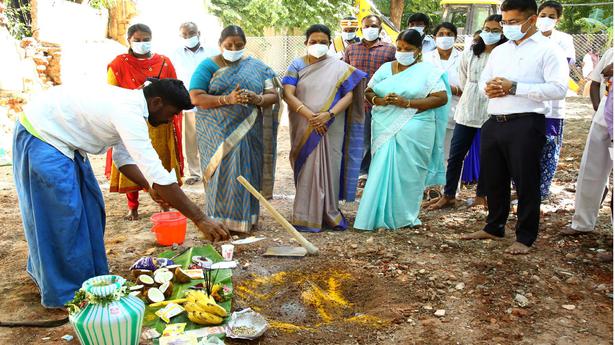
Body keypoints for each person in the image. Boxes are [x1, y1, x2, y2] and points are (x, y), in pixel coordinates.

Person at [13, 79, 230, 308]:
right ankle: (64, 291)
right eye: (172, 113)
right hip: (41, 135)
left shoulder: (134, 107)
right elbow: (158, 173)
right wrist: (200, 219)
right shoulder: (127, 111)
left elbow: (123, 158)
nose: (171, 120)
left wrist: (148, 186)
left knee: (90, 209)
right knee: (62, 217)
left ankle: (87, 278)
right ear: (157, 102)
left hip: (65, 140)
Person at [461, 0, 568, 255]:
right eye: (505, 22)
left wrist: (515, 87)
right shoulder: (500, 51)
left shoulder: (548, 50)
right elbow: (485, 81)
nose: (507, 27)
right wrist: (490, 88)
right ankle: (494, 226)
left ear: (531, 20)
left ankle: (525, 236)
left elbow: (559, 88)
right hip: (495, 121)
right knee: (494, 178)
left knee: (525, 181)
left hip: (526, 122)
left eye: (513, 22)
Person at [354, 29, 450, 230]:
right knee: (381, 168)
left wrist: (407, 102)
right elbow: (368, 92)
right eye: (399, 48)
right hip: (385, 126)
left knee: (410, 173)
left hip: (417, 126)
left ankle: (405, 217)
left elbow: (441, 98)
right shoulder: (386, 68)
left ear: (418, 51)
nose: (403, 52)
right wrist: (380, 100)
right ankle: (375, 216)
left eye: (408, 49)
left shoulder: (427, 71)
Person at [189, 25, 280, 233]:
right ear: (220, 45)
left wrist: (257, 98)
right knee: (222, 174)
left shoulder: (256, 67)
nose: (233, 48)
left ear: (244, 45)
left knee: (247, 170)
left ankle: (245, 220)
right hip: (216, 133)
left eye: (238, 45)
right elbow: (196, 97)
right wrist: (227, 99)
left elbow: (273, 95)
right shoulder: (207, 66)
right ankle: (220, 221)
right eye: (228, 45)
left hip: (249, 132)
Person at [282, 24, 367, 232]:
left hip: (331, 125)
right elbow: (287, 93)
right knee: (307, 164)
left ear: (329, 44)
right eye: (313, 42)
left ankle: (329, 210)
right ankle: (305, 215)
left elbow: (350, 95)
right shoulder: (296, 65)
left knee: (331, 163)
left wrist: (328, 115)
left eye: (322, 42)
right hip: (303, 123)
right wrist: (310, 116)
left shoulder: (339, 67)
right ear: (306, 43)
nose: (318, 45)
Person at [105, 23, 184, 221]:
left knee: (160, 162)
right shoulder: (118, 64)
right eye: (137, 40)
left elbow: (175, 89)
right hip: (131, 116)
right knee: (133, 159)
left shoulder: (164, 62)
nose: (142, 43)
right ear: (128, 41)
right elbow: (111, 92)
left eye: (146, 39)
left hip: (160, 123)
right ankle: (133, 205)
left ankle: (165, 203)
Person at [428, 15, 507, 210]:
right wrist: (472, 91)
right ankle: (449, 195)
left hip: (492, 110)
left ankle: (482, 195)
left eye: (495, 30)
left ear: (503, 33)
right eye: (487, 29)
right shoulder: (471, 52)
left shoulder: (505, 53)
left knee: (487, 155)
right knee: (456, 154)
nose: (490, 33)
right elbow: (464, 79)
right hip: (467, 108)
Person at [562, 48, 612, 236]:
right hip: (604, 117)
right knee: (591, 169)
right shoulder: (611, 52)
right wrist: (598, 108)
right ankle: (582, 223)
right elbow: (595, 83)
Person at [343, 14, 396, 185]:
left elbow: (396, 75)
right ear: (361, 28)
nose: (370, 29)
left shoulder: (390, 50)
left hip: (383, 102)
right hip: (358, 102)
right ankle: (363, 174)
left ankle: (380, 171)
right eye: (366, 26)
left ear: (380, 29)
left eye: (373, 26)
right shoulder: (351, 49)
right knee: (362, 139)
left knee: (381, 138)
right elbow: (345, 74)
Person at [536, 0, 576, 200]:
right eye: (543, 15)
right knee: (525, 145)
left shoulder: (564, 39)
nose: (546, 20)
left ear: (558, 20)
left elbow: (562, 69)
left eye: (551, 16)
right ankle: (522, 187)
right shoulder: (530, 38)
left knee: (549, 146)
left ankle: (542, 190)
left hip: (553, 106)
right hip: (530, 103)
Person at [173, 22, 219, 186]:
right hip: (187, 103)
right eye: (184, 35)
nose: (188, 37)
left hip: (209, 101)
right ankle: (194, 172)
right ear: (181, 36)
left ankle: (213, 169)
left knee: (210, 136)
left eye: (191, 33)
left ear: (198, 33)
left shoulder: (212, 52)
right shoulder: (176, 54)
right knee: (190, 139)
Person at [423, 22, 462, 172]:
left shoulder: (463, 58)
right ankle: (428, 190)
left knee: (449, 154)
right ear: (434, 37)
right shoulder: (425, 58)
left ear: (455, 38)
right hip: (429, 111)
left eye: (449, 35)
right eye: (441, 34)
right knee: (427, 152)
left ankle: (447, 189)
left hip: (454, 111)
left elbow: (469, 86)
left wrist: (452, 89)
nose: (445, 38)